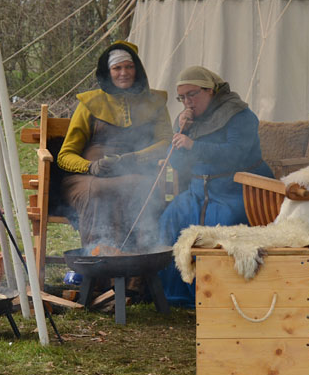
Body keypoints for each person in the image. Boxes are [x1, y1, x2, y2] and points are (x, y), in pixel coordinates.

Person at [158, 66, 273, 307]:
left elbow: (237, 154)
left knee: (224, 222)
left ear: (210, 90)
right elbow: (177, 162)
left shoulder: (239, 115)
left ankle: (220, 297)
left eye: (192, 94)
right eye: (182, 97)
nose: (187, 102)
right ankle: (176, 294)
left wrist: (193, 145)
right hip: (198, 192)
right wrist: (181, 132)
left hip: (237, 190)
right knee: (170, 217)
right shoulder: (188, 120)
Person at [57, 40, 172, 250]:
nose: (123, 73)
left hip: (136, 172)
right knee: (97, 192)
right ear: (107, 72)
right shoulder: (90, 103)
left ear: (137, 69)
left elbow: (166, 142)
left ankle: (137, 264)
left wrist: (134, 158)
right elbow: (65, 155)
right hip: (88, 177)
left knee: (143, 188)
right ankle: (99, 259)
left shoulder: (155, 102)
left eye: (129, 67)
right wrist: (91, 166)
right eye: (117, 68)